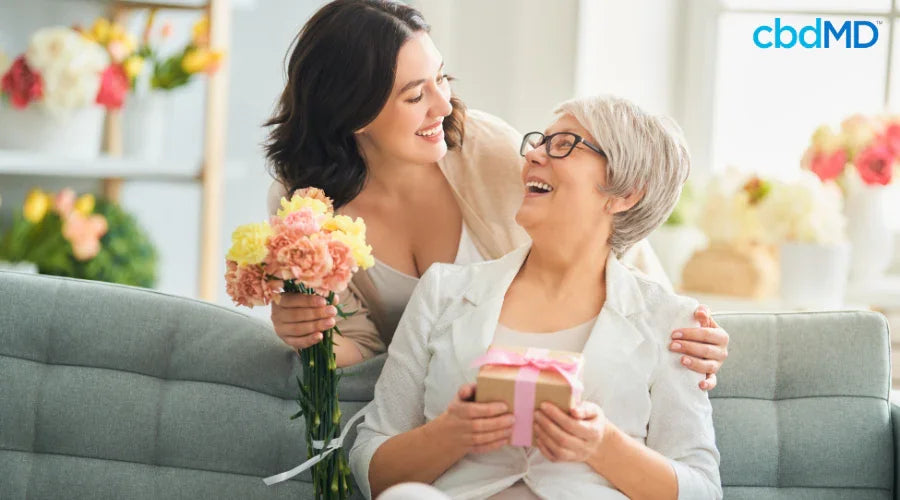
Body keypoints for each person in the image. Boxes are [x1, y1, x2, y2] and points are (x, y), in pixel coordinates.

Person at [264, 0, 729, 390]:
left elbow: (606, 232)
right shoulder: (304, 208)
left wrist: (679, 332)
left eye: (442, 78)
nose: (443, 105)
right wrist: (309, 333)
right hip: (437, 403)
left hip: (555, 381)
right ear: (354, 115)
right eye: (414, 96)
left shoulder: (484, 147)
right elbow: (364, 353)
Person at [349, 95, 722, 499]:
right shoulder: (444, 292)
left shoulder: (672, 322)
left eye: (563, 144)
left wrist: (604, 447)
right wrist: (451, 434)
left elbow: (703, 490)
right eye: (539, 142)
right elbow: (372, 464)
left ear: (625, 193)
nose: (533, 155)